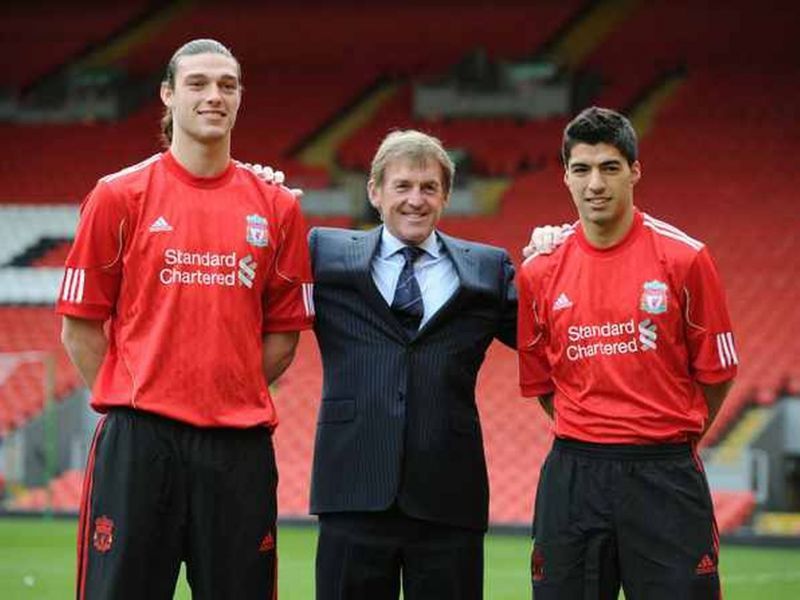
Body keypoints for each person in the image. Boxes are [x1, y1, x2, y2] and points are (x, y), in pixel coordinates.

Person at [57, 39, 314, 599]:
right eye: (198, 83)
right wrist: (142, 392)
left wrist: (221, 393)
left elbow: (283, 337)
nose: (213, 95)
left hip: (237, 449)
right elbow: (79, 328)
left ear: (241, 98)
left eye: (227, 84)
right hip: (139, 442)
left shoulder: (278, 208)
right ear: (168, 95)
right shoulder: (117, 196)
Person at [517, 106, 738, 599]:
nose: (595, 183)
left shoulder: (686, 259)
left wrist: (662, 436)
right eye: (582, 169)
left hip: (665, 477)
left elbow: (718, 374)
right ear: (566, 178)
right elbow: (543, 385)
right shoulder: (538, 272)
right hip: (574, 478)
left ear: (635, 172)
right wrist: (595, 432)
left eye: (610, 167)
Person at [308, 130, 517, 600]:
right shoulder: (324, 254)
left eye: (428, 188)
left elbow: (546, 337)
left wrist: (558, 247)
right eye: (402, 186)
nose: (415, 200)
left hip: (448, 497)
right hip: (352, 490)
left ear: (445, 196)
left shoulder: (487, 269)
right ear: (375, 192)